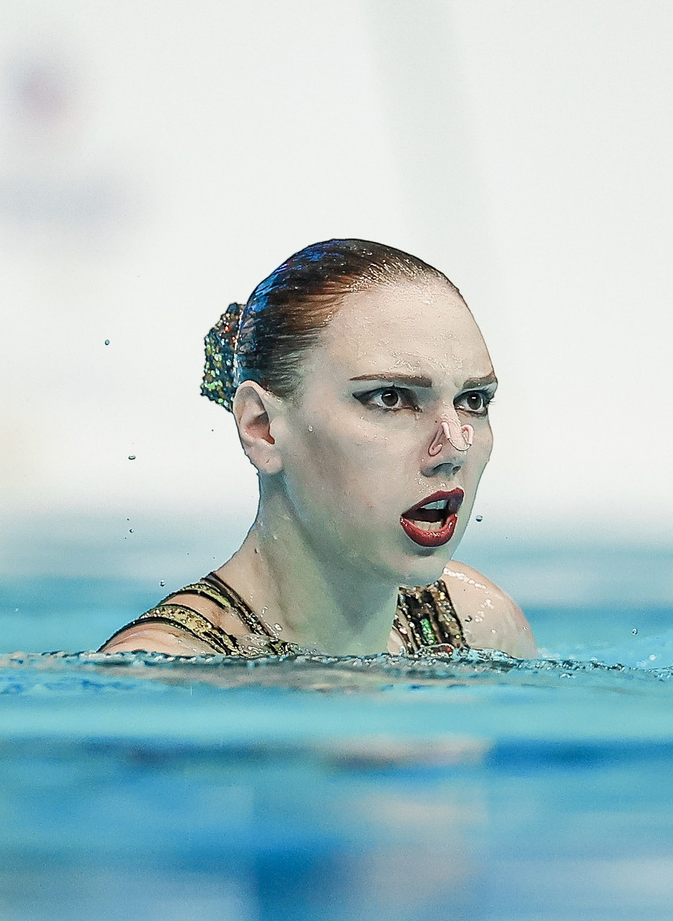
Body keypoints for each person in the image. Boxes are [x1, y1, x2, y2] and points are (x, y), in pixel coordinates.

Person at [102, 239, 538, 658]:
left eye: (473, 401)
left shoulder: (478, 625)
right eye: (390, 397)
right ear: (263, 427)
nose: (454, 446)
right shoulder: (167, 676)